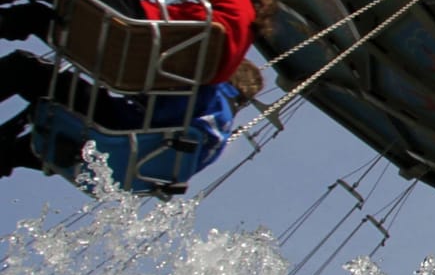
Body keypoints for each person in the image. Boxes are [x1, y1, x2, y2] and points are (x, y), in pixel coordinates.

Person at [0, 51, 263, 189]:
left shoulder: (210, 94)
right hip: (114, 167)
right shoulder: (220, 134)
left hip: (113, 129)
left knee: (23, 68)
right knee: (26, 139)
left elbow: (156, 112)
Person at [0, 0, 269, 85]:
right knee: (35, 17)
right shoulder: (226, 66)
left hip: (129, 23)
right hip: (122, 71)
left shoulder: (237, 4)